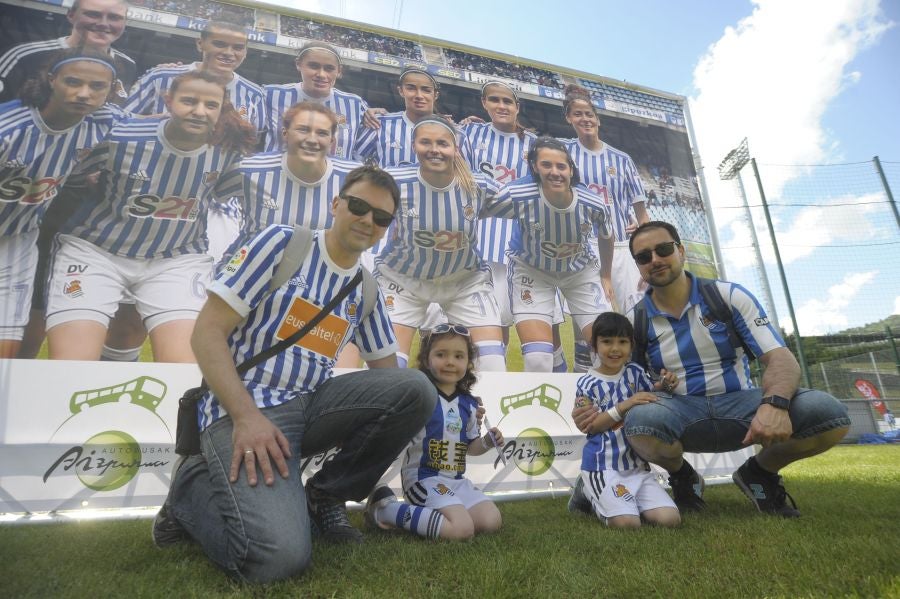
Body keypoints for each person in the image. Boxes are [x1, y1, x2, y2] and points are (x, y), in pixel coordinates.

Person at [152, 166, 437, 584]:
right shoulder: (283, 243)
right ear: (336, 204)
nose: (367, 220)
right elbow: (206, 334)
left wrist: (445, 406)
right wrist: (247, 417)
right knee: (278, 561)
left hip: (310, 406)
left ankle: (325, 495)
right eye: (358, 206)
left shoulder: (367, 287)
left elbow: (390, 379)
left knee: (415, 388)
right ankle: (188, 495)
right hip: (240, 410)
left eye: (382, 218)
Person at [573, 221, 851, 517]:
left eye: (663, 249)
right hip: (680, 410)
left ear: (681, 251)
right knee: (640, 419)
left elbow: (780, 359)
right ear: (638, 267)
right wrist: (589, 410)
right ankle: (683, 476)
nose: (654, 260)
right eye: (643, 257)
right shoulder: (636, 319)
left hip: (741, 406)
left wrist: (775, 404)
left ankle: (759, 472)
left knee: (828, 414)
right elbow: (623, 380)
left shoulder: (728, 296)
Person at [44, 70, 256, 362]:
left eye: (210, 105)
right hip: (96, 252)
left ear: (221, 110)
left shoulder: (227, 153)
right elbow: (67, 174)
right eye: (189, 101)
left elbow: (246, 190)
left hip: (176, 259)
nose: (199, 111)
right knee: (71, 365)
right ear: (168, 101)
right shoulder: (122, 137)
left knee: (183, 374)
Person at [0, 49, 124, 358]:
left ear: (111, 89)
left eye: (97, 86)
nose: (84, 93)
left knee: (7, 345)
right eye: (73, 82)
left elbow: (155, 126)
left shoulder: (104, 123)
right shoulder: (9, 128)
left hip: (17, 241)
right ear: (51, 80)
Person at [126, 19, 267, 262]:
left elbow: (250, 149)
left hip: (212, 199)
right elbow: (123, 122)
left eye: (238, 47)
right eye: (220, 44)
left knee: (202, 273)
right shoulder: (162, 76)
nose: (229, 53)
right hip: (145, 188)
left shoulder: (254, 94)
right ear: (200, 43)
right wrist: (167, 120)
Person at [376, 116, 506, 371]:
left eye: (442, 143)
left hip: (465, 282)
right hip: (402, 281)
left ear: (455, 148)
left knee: (493, 365)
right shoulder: (392, 181)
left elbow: (525, 206)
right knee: (390, 370)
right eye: (425, 142)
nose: (434, 149)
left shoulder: (479, 185)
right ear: (414, 146)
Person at [484, 136, 615, 372]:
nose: (555, 172)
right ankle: (541, 402)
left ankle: (601, 406)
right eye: (546, 165)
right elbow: (474, 210)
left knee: (606, 350)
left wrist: (605, 275)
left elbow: (607, 236)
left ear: (571, 169)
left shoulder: (592, 203)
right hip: (532, 272)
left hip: (580, 273)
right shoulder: (517, 194)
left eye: (561, 166)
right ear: (534, 167)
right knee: (538, 360)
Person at [366, 323, 503, 540]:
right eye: (441, 354)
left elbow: (471, 448)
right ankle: (384, 509)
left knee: (490, 521)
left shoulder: (469, 404)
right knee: (461, 529)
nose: (450, 362)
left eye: (459, 356)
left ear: (468, 362)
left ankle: (443, 513)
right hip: (423, 480)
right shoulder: (418, 397)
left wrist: (487, 441)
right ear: (426, 359)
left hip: (455, 481)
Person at [562, 84, 651, 371]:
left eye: (588, 113)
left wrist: (645, 259)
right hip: (580, 247)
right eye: (578, 114)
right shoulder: (563, 153)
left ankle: (640, 373)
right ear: (569, 119)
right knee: (586, 320)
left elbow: (641, 213)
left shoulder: (621, 159)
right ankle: (584, 383)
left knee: (635, 315)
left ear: (597, 119)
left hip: (623, 249)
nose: (585, 118)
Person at [568, 312, 680, 529]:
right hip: (603, 467)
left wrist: (666, 385)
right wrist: (625, 405)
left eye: (622, 342)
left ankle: (621, 500)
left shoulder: (636, 372)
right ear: (594, 346)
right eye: (607, 341)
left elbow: (651, 395)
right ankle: (585, 490)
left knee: (670, 520)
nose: (615, 349)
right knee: (627, 524)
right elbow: (591, 426)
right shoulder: (586, 383)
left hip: (637, 467)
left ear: (631, 345)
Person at [214, 101, 361, 261]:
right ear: (285, 133)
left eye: (322, 133)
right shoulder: (249, 169)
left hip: (314, 274)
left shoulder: (354, 179)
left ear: (332, 141)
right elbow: (208, 194)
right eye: (303, 130)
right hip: (248, 265)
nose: (312, 139)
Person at [460, 81, 537, 363]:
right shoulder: (470, 132)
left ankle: (494, 377)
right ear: (484, 103)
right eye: (495, 100)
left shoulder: (532, 144)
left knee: (502, 317)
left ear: (517, 107)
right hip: (476, 238)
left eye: (508, 101)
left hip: (516, 241)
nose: (501, 106)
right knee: (472, 316)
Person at [0, 0, 136, 104]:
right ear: (71, 15)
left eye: (114, 17)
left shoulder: (128, 65)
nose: (103, 23)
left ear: (125, 22)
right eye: (93, 14)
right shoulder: (23, 56)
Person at [263, 41, 369, 160]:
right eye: (314, 66)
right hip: (276, 175)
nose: (321, 74)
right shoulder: (270, 95)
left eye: (329, 68)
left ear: (339, 71)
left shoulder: (356, 104)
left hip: (334, 177)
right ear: (299, 64)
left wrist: (377, 112)